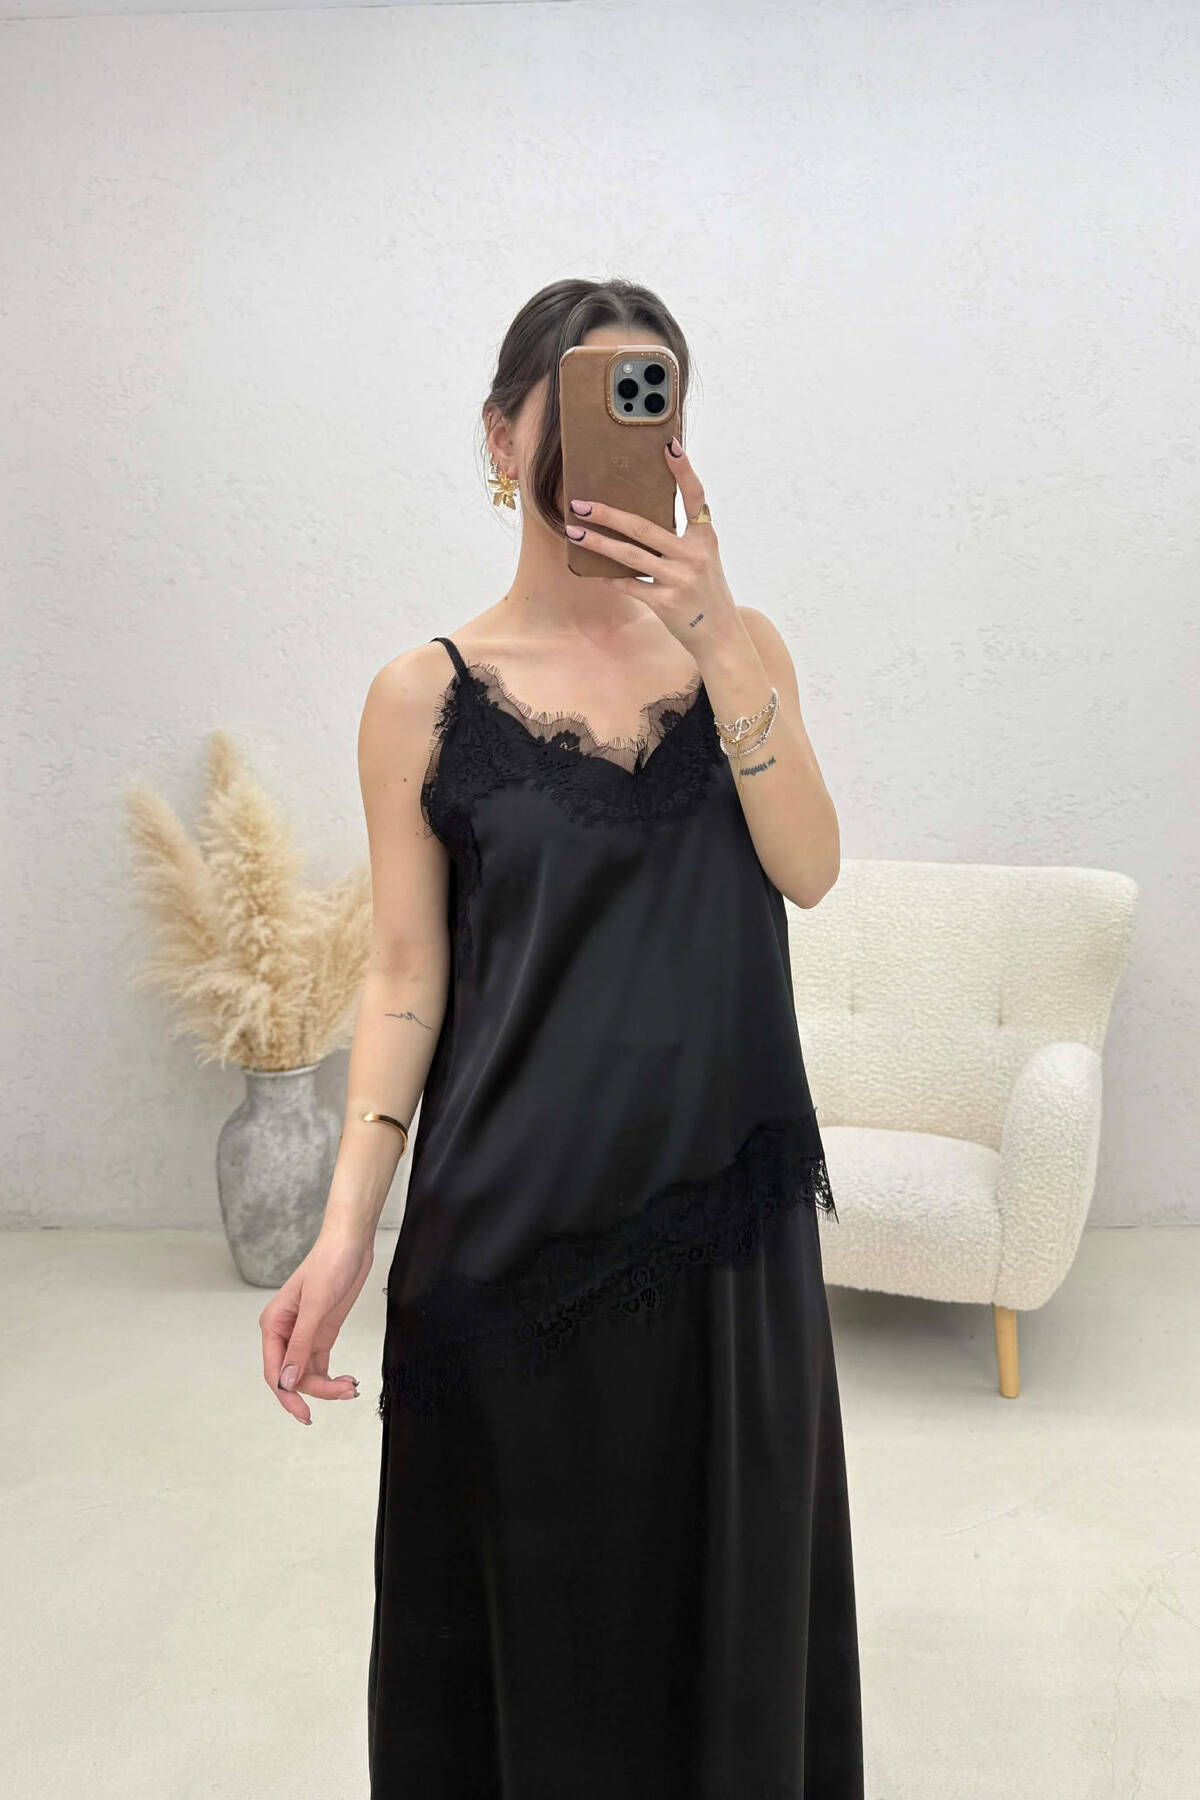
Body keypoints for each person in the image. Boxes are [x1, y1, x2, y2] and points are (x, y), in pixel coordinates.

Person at [260, 277, 864, 1798]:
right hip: (510, 1244)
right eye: (591, 396)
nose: (626, 430)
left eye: (656, 397)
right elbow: (406, 977)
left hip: (729, 1242)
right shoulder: (422, 695)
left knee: (725, 1629)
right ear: (502, 434)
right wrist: (345, 1229)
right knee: (538, 1649)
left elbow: (809, 868)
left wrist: (717, 638)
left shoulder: (742, 651)